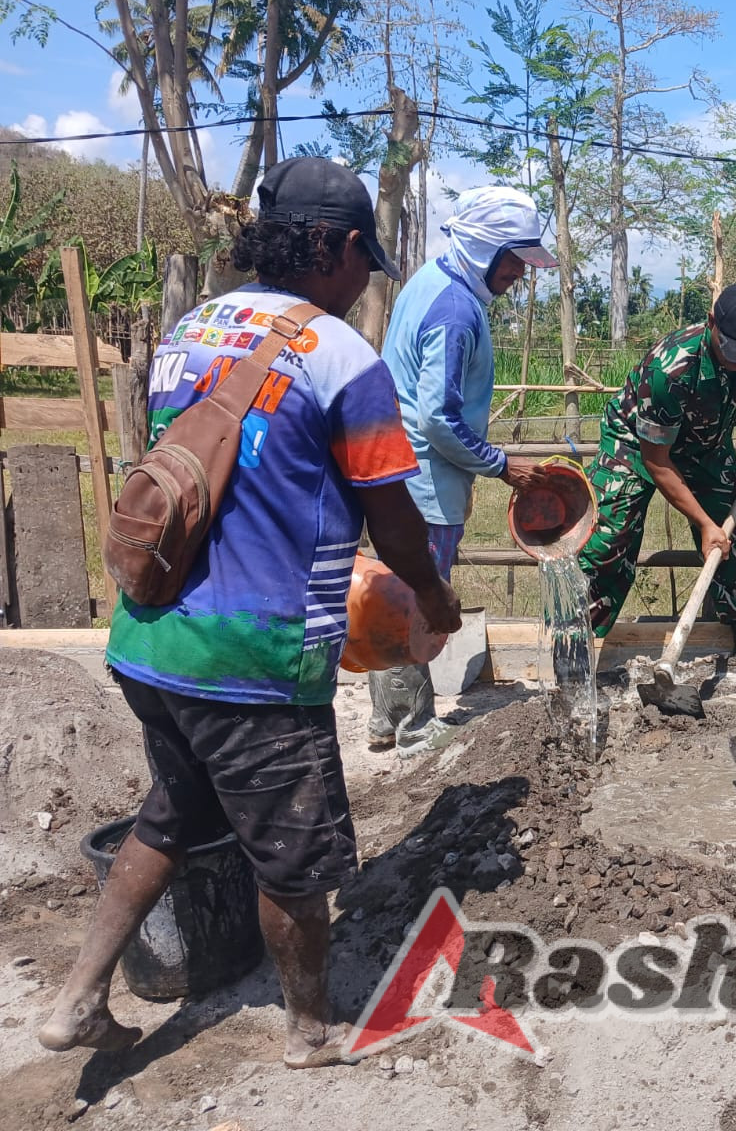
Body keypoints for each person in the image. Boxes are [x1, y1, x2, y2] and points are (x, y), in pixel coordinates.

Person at [38, 157, 460, 1067]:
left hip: (150, 639)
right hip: (255, 662)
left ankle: (77, 999)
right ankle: (309, 1030)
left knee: (173, 813)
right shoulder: (343, 359)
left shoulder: (193, 329)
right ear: (340, 248)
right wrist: (433, 598)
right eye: (364, 262)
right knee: (297, 861)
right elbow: (392, 520)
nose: (364, 281)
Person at [371, 186, 556, 751]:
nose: (519, 276)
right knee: (417, 601)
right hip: (424, 478)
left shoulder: (431, 283)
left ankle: (387, 718)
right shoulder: (455, 311)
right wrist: (502, 465)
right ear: (485, 250)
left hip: (397, 472)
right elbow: (438, 417)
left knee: (396, 594)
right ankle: (412, 727)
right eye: (514, 261)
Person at [578, 283, 736, 656]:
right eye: (731, 350)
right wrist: (704, 524)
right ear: (711, 323)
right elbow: (657, 461)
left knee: (735, 529)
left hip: (706, 440)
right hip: (635, 442)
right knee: (610, 533)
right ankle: (577, 641)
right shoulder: (670, 368)